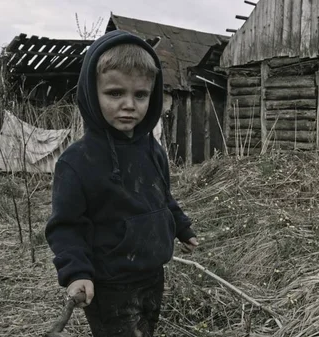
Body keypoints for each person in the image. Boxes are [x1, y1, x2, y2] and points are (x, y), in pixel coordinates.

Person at [45, 30, 199, 337]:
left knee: (146, 330)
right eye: (115, 93)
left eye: (140, 95)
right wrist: (76, 273)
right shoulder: (77, 161)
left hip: (153, 272)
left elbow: (161, 197)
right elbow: (66, 226)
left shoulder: (151, 149)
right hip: (109, 282)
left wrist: (181, 227)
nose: (129, 104)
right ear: (92, 92)